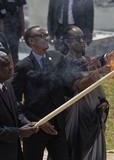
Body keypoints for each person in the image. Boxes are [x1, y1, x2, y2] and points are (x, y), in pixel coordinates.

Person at [11, 26, 70, 160]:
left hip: (57, 126)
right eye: (42, 36)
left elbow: (75, 66)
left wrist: (102, 60)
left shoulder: (56, 57)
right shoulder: (23, 66)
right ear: (31, 41)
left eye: (46, 35)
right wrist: (35, 122)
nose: (46, 38)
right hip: (35, 129)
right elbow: (15, 101)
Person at [61, 25, 110, 160]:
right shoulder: (64, 63)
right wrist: (97, 72)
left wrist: (103, 103)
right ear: (67, 42)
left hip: (94, 114)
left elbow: (98, 90)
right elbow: (76, 87)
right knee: (76, 149)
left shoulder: (90, 61)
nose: (82, 41)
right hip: (75, 116)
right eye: (78, 39)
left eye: (84, 38)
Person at [0, 50, 38, 160]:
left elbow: (17, 111)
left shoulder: (7, 86)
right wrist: (19, 132)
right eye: (5, 65)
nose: (11, 67)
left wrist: (27, 123)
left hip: (13, 152)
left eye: (10, 63)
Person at [0, 0, 27, 65]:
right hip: (0, 27)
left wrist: (22, 29)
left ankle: (14, 75)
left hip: (13, 27)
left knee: (14, 53)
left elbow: (21, 11)